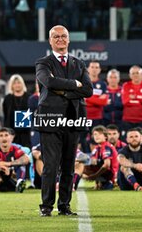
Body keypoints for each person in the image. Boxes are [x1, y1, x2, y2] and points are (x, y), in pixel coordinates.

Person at [35, 25, 92, 217]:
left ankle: (65, 206)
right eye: (55, 36)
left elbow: (88, 90)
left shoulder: (79, 63)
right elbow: (48, 83)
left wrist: (63, 89)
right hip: (49, 119)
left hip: (73, 119)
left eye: (63, 36)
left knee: (68, 165)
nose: (60, 39)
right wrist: (74, 85)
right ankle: (46, 206)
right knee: (50, 165)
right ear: (50, 41)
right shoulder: (43, 63)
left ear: (68, 40)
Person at [0, 127, 30, 193]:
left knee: (21, 164)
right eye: (1, 136)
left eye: (6, 135)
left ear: (11, 138)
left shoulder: (16, 149)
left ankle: (20, 183)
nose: (4, 138)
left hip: (12, 180)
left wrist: (9, 164)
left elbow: (26, 159)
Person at [74, 125, 118, 191]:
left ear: (105, 136)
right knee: (79, 163)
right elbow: (93, 163)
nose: (97, 136)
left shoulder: (106, 146)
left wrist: (94, 176)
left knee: (79, 165)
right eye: (95, 134)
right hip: (104, 174)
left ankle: (72, 184)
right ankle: (101, 183)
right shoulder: (97, 148)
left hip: (110, 175)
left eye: (100, 134)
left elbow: (106, 165)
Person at [84, 60, 108, 152]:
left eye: (96, 67)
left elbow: (104, 101)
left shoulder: (103, 84)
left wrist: (88, 98)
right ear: (88, 69)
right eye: (92, 67)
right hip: (84, 117)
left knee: (96, 140)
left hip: (98, 117)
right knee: (81, 140)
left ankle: (95, 159)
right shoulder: (83, 82)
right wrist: (97, 99)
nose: (94, 69)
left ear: (99, 70)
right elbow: (80, 100)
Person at [121, 65, 142, 137]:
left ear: (141, 74)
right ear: (130, 75)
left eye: (137, 73)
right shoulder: (126, 85)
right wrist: (141, 98)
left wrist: (135, 97)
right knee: (127, 141)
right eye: (133, 73)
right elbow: (125, 101)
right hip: (128, 120)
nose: (135, 75)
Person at [3, 74, 31, 148]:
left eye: (19, 83)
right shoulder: (7, 98)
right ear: (11, 85)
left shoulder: (29, 97)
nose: (17, 85)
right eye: (14, 83)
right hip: (12, 130)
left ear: (22, 84)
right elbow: (5, 114)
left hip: (27, 131)